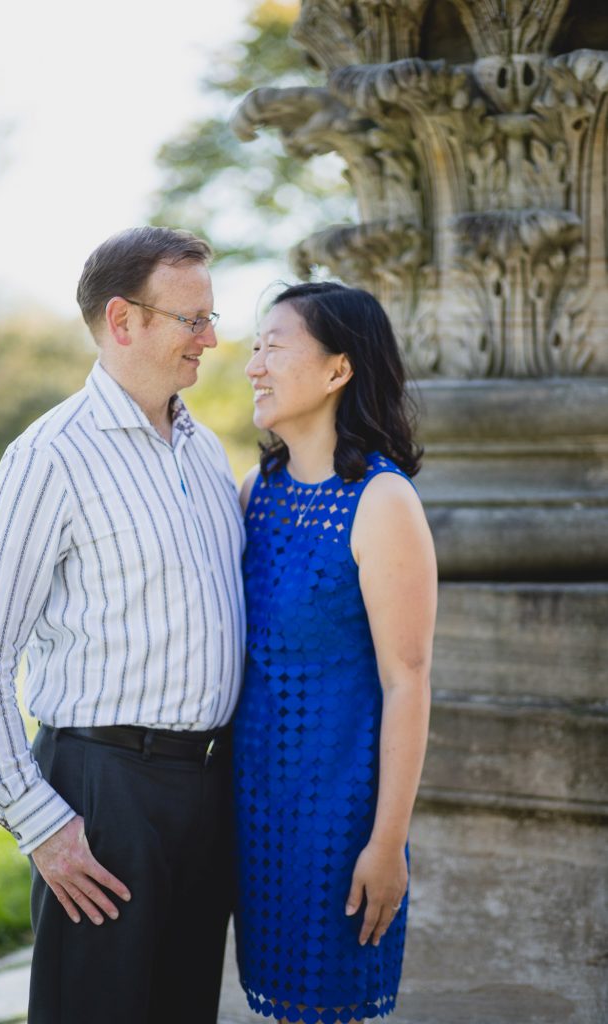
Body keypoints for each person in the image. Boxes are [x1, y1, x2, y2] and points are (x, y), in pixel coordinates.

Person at [0, 226, 246, 1024]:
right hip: (102, 792)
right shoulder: (50, 456)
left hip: (204, 788)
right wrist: (41, 824)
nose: (211, 338)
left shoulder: (206, 453)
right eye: (192, 318)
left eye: (210, 317)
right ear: (124, 321)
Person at [233, 281, 437, 1023]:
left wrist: (387, 846)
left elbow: (407, 681)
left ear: (337, 369)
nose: (253, 364)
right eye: (253, 346)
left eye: (273, 345)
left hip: (340, 822)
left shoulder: (382, 502)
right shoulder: (257, 488)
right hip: (253, 815)